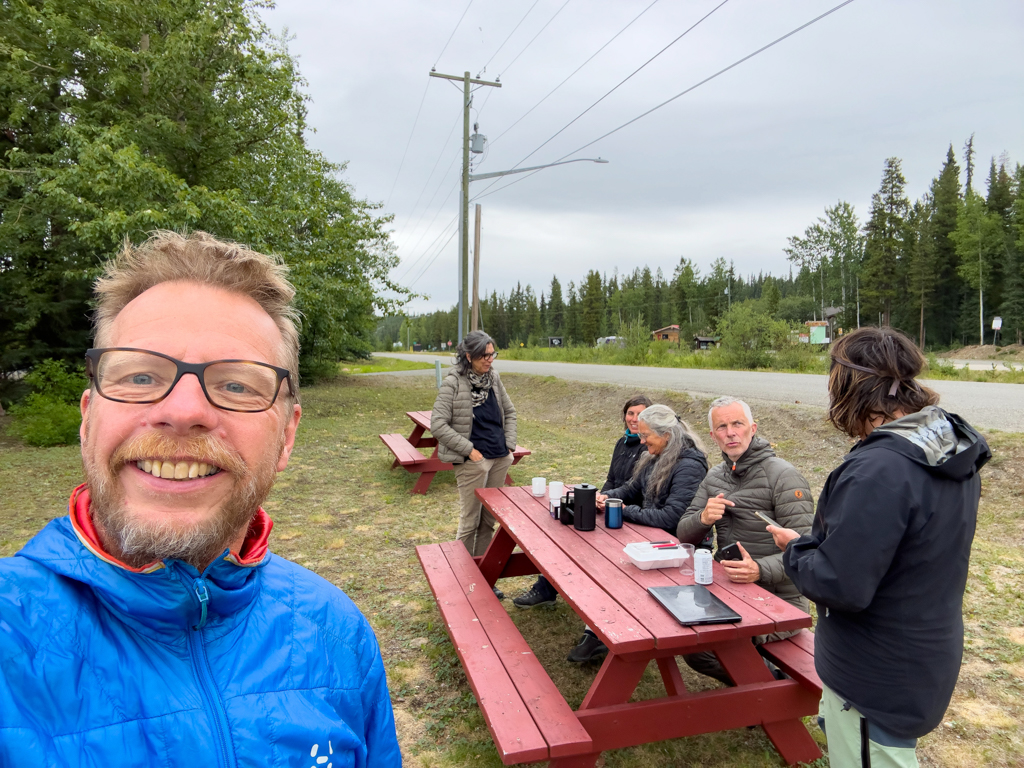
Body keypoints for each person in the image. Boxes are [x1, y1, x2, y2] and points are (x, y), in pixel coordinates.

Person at [0, 231, 402, 766]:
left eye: (237, 385)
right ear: (87, 418)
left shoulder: (337, 633)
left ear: (286, 437)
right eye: (140, 375)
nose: (183, 410)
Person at [768, 328, 990, 768]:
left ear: (849, 386)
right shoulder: (943, 448)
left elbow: (841, 585)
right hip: (920, 651)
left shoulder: (879, 469)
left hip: (875, 675)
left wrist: (797, 551)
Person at [675, 396, 813, 685]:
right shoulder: (714, 476)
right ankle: (763, 687)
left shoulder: (784, 476)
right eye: (722, 427)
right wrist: (704, 518)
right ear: (713, 436)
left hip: (779, 600)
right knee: (691, 645)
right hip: (729, 591)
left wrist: (759, 570)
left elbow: (809, 553)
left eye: (737, 424)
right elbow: (683, 534)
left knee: (715, 643)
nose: (731, 432)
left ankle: (766, 695)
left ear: (753, 427)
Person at [565, 404, 708, 663]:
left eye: (646, 436)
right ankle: (597, 630)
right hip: (653, 540)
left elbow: (671, 517)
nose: (641, 441)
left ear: (666, 435)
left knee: (615, 568)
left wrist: (623, 509)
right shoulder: (656, 456)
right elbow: (631, 489)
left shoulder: (690, 465)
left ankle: (607, 634)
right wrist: (606, 497)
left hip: (680, 551)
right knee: (600, 560)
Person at [512, 394, 652, 610]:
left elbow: (636, 489)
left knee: (587, 544)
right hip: (609, 505)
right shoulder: (621, 443)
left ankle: (581, 598)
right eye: (630, 413)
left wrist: (608, 498)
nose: (634, 419)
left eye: (640, 414)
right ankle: (546, 588)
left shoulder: (649, 447)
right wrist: (600, 497)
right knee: (568, 536)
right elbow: (612, 479)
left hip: (630, 513)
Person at [430, 330, 517, 594]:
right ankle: (461, 581)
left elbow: (510, 412)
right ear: (469, 356)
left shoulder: (494, 378)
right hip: (473, 462)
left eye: (492, 354)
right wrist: (469, 450)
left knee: (488, 520)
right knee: (470, 521)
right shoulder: (453, 383)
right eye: (484, 356)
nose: (490, 360)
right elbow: (438, 425)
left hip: (498, 457)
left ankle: (484, 580)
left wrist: (509, 448)